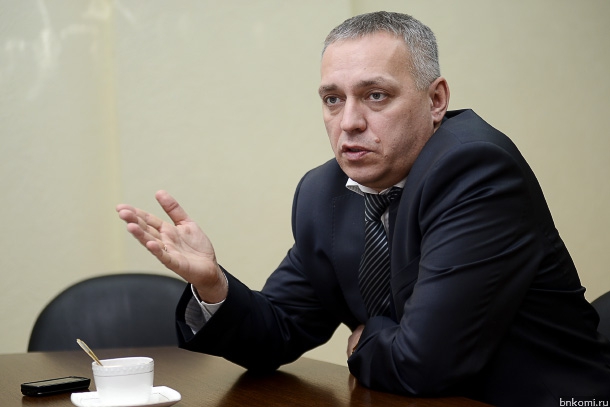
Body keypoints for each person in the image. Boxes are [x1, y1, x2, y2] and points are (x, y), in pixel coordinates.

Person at [117, 11, 610, 407]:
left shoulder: (475, 169)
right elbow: (278, 334)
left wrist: (362, 341)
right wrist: (213, 285)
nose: (349, 122)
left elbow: (424, 364)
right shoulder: (325, 193)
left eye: (376, 96)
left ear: (436, 99)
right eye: (333, 99)